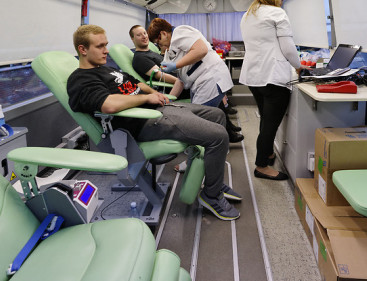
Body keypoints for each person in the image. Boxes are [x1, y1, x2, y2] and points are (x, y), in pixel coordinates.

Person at [67, 24, 242, 220]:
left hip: (158, 109)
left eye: (106, 45)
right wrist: (146, 98)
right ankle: (212, 196)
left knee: (217, 115)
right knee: (219, 136)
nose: (106, 50)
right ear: (82, 49)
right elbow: (108, 105)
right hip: (143, 122)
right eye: (100, 46)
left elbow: (138, 84)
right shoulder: (80, 79)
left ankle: (214, 182)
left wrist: (155, 94)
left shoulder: (107, 70)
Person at [240, 0, 302, 181]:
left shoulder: (248, 14)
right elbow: (288, 48)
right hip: (273, 77)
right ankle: (261, 166)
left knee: (265, 119)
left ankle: (267, 153)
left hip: (254, 77)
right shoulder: (277, 13)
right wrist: (299, 66)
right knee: (270, 125)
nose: (283, 0)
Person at [146, 19, 243, 143]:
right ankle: (218, 142)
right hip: (199, 83)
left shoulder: (180, 32)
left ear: (164, 33)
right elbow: (181, 80)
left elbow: (201, 50)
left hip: (210, 78)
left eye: (159, 42)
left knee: (198, 121)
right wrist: (170, 99)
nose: (161, 47)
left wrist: (175, 65)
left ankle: (214, 145)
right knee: (202, 119)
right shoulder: (171, 50)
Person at [129, 24, 184, 97]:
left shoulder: (152, 52)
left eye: (145, 33)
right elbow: (160, 75)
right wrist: (182, 81)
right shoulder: (140, 58)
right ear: (132, 38)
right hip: (178, 88)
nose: (144, 36)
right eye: (139, 35)